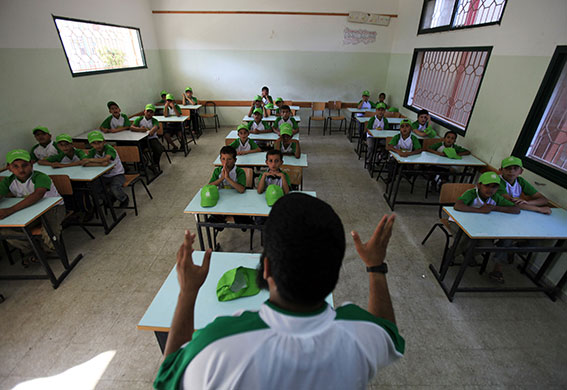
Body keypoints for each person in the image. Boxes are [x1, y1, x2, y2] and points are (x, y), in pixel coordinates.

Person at [153, 194, 404, 390]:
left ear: (266, 267)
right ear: (335, 271)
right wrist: (375, 266)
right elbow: (388, 332)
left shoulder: (217, 345)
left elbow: (167, 377)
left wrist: (187, 292)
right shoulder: (361, 332)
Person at [0, 149, 64, 266]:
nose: (21, 169)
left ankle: (46, 250)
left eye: (24, 165)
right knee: (5, 231)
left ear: (31, 164)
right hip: (29, 210)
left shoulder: (40, 177)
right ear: (9, 167)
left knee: (49, 230)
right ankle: (34, 250)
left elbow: (38, 195)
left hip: (53, 208)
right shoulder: (8, 181)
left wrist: (10, 210)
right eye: (15, 166)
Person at [453, 171, 520, 283]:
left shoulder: (496, 197)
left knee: (487, 245)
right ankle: (452, 256)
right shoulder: (471, 193)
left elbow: (516, 209)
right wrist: (479, 210)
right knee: (464, 238)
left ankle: (469, 253)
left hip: (481, 227)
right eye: (487, 185)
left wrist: (495, 208)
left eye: (494, 187)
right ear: (479, 185)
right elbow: (458, 205)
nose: (490, 189)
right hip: (459, 222)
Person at [83, 131, 129, 208]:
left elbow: (106, 159)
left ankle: (124, 198)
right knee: (93, 188)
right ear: (91, 144)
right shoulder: (92, 152)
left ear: (104, 141)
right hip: (103, 176)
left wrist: (91, 160)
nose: (97, 145)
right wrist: (100, 164)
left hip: (117, 174)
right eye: (94, 143)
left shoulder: (109, 148)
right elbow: (85, 163)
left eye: (99, 142)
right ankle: (109, 198)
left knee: (114, 188)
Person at [131, 104, 164, 171]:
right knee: (136, 149)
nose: (149, 113)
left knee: (159, 149)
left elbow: (155, 127)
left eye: (151, 112)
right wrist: (140, 129)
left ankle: (154, 164)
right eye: (148, 111)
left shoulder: (154, 120)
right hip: (141, 139)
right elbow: (132, 127)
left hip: (152, 139)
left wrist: (150, 131)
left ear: (153, 114)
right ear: (144, 111)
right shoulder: (139, 119)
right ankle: (143, 162)